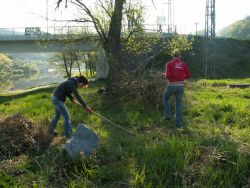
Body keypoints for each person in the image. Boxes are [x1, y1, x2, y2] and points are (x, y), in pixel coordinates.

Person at [163, 51, 191, 127]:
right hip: (180, 86)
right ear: (179, 56)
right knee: (178, 103)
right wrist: (181, 77)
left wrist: (167, 76)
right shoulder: (183, 64)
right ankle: (178, 123)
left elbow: (168, 75)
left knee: (165, 98)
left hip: (172, 85)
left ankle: (167, 116)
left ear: (173, 56)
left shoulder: (169, 64)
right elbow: (188, 75)